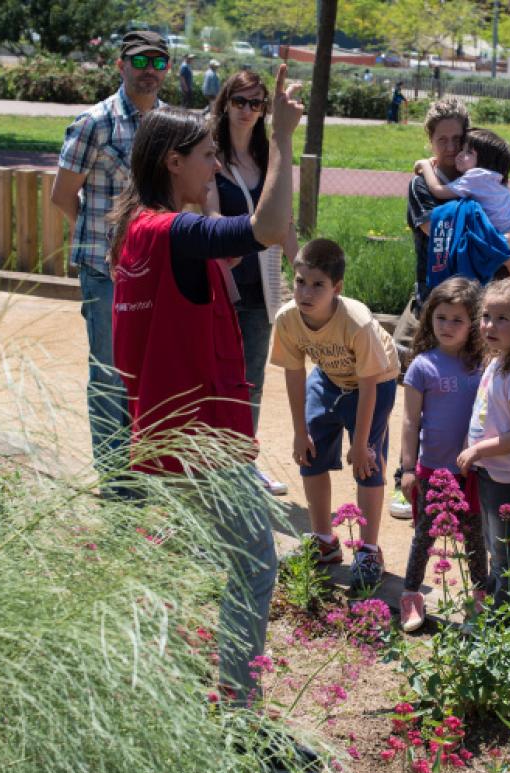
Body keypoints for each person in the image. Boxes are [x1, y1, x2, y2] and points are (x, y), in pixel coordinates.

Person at [106, 66, 303, 699]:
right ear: (172, 162)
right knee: (253, 566)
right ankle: (239, 717)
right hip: (203, 445)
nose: (215, 168)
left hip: (167, 439)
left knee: (202, 564)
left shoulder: (133, 233)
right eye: (207, 157)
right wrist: (285, 141)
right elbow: (268, 231)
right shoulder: (174, 235)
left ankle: (169, 690)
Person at [393, 98, 510, 519]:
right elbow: (442, 229)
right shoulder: (426, 184)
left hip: (483, 308)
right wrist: (503, 246)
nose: (452, 148)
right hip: (439, 303)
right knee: (424, 391)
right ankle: (408, 476)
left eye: (459, 139)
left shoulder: (480, 177)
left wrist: (501, 242)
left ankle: (469, 474)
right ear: (430, 140)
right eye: (443, 140)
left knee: (474, 396)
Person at [50, 30, 169, 491]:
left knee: (148, 372)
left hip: (155, 274)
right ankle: (116, 478)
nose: (149, 71)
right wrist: (108, 238)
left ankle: (144, 469)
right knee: (109, 374)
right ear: (120, 65)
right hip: (105, 272)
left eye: (159, 63)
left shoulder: (167, 125)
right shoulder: (94, 124)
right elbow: (63, 196)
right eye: (141, 61)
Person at [270, 239, 400, 591]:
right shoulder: (288, 319)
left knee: (367, 463)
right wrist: (300, 431)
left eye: (318, 285)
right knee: (310, 454)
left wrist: (360, 444)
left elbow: (370, 382)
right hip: (327, 380)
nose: (306, 292)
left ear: (336, 288)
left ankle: (369, 550)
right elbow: (295, 373)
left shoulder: (355, 322)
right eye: (300, 282)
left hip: (374, 382)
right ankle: (323, 541)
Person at [207, 69, 299, 497]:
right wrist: (238, 237)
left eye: (256, 103)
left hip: (261, 285)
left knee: (252, 381)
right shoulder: (209, 154)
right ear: (225, 102)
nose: (247, 110)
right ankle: (212, 465)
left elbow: (285, 221)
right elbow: (210, 220)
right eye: (239, 101)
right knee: (214, 378)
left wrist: (303, 272)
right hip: (221, 284)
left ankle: (243, 463)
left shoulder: (267, 156)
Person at [398, 278, 487, 632]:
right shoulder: (422, 365)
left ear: (474, 324)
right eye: (441, 317)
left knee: (475, 537)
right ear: (429, 318)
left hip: (473, 470)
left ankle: (480, 599)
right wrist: (406, 469)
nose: (447, 326)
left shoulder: (483, 363)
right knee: (424, 535)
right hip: (432, 468)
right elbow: (408, 420)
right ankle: (410, 595)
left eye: (458, 320)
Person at [458, 278, 510, 610]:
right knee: (495, 544)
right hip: (491, 471)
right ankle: (494, 605)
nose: (490, 325)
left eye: (503, 318)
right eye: (486, 316)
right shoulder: (499, 359)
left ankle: (502, 620)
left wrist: (478, 449)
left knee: (505, 551)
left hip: (507, 476)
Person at [413, 128, 510, 248]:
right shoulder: (496, 179)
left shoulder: (476, 176)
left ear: (485, 161)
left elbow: (438, 190)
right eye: (462, 149)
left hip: (492, 240)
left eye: (469, 152)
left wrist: (425, 165)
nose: (460, 154)